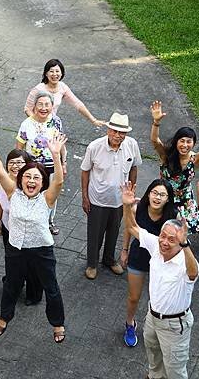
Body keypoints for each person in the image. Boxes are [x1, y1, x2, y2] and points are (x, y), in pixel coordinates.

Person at [0, 131, 68, 343]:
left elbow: (58, 181)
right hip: (15, 249)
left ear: (42, 183)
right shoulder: (13, 192)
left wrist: (55, 155)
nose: (31, 181)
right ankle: (4, 317)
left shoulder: (47, 198)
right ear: (21, 180)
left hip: (41, 250)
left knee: (51, 288)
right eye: (28, 176)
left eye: (36, 178)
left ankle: (57, 323)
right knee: (11, 285)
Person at [122, 181, 199, 379]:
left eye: (171, 240)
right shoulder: (156, 246)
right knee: (154, 358)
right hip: (152, 317)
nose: (164, 242)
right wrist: (126, 205)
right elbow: (132, 227)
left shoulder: (185, 262)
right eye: (162, 236)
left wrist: (185, 245)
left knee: (175, 371)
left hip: (175, 325)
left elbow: (193, 273)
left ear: (180, 243)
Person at [81, 112, 142, 279]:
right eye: (114, 131)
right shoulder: (94, 147)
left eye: (121, 132)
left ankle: (109, 259)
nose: (117, 135)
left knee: (114, 230)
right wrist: (85, 197)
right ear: (108, 130)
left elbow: (134, 167)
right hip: (97, 198)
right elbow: (85, 171)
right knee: (95, 233)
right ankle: (92, 263)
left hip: (119, 200)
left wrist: (131, 191)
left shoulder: (132, 145)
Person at [150, 100, 199, 233]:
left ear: (193, 143)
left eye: (189, 142)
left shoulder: (195, 159)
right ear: (176, 142)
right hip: (164, 195)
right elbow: (155, 141)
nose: (185, 145)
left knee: (180, 231)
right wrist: (156, 122)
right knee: (159, 227)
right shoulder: (166, 155)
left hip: (184, 200)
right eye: (182, 141)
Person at [120, 179, 176, 347]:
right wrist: (124, 250)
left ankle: (157, 328)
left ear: (168, 198)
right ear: (149, 193)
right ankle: (130, 324)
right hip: (139, 256)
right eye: (155, 192)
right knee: (134, 297)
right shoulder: (138, 209)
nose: (157, 198)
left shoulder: (173, 216)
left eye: (162, 195)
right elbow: (129, 227)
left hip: (161, 261)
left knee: (159, 298)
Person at [0, 147, 42, 306]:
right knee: (12, 261)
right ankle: (15, 283)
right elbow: (0, 202)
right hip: (9, 230)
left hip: (28, 234)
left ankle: (34, 294)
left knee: (31, 265)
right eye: (11, 163)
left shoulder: (31, 187)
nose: (15, 166)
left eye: (20, 163)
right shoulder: (3, 183)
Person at [16, 91, 66, 235]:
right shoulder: (26, 124)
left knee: (52, 194)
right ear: (34, 106)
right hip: (33, 167)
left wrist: (63, 162)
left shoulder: (56, 121)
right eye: (40, 104)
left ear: (52, 106)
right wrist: (19, 167)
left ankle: (49, 221)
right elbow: (19, 146)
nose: (43, 108)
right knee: (32, 193)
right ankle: (30, 220)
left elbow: (61, 144)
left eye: (47, 105)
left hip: (52, 166)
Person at [24, 59, 106, 127]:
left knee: (60, 145)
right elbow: (27, 109)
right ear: (46, 73)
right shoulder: (38, 89)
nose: (54, 74)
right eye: (51, 71)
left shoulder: (62, 87)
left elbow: (78, 104)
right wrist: (38, 124)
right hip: (36, 124)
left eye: (57, 71)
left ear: (62, 73)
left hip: (52, 124)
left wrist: (93, 120)